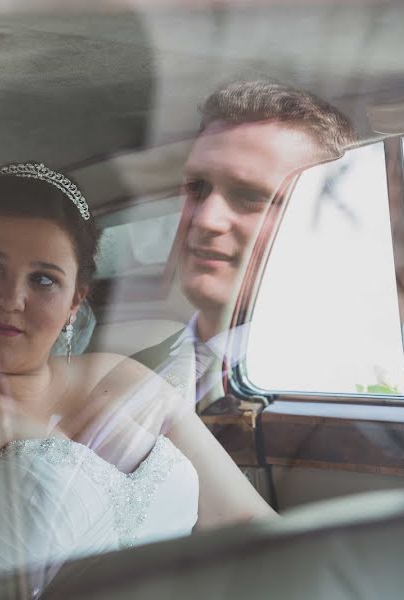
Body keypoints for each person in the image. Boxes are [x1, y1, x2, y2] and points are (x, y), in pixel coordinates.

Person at [0, 162, 274, 599]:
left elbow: (250, 527)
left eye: (43, 279)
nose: (11, 299)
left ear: (76, 299)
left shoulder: (123, 378)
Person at [130, 80, 358, 410]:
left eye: (252, 197)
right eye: (197, 188)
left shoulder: (341, 385)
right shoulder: (132, 371)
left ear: (323, 218)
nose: (206, 219)